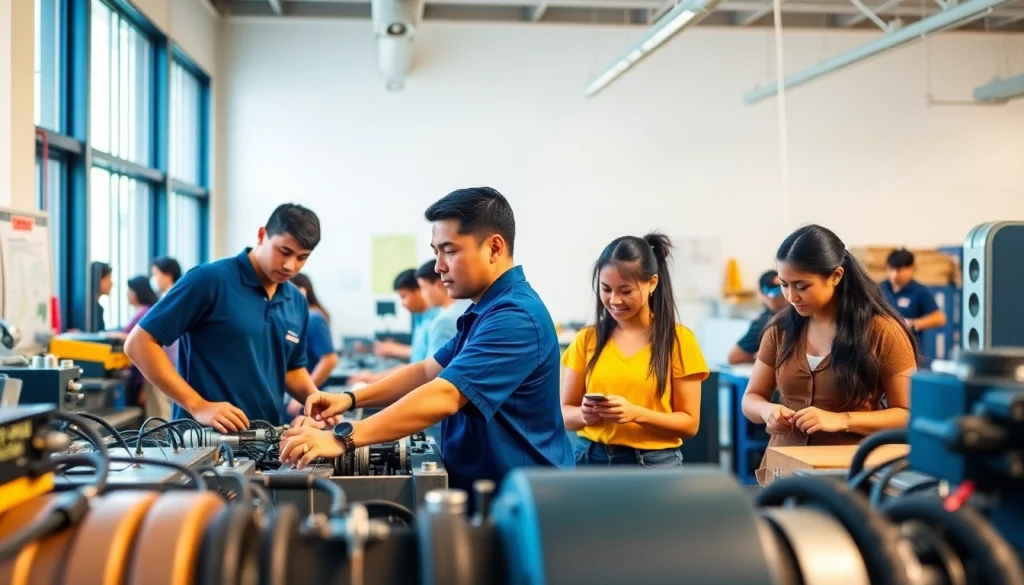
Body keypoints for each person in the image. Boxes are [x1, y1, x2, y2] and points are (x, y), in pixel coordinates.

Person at [278, 187, 574, 493]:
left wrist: (343, 437)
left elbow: (445, 394)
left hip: (525, 495)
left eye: (450, 250)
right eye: (436, 252)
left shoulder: (515, 317)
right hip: (494, 488)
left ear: (494, 248)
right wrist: (350, 398)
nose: (438, 266)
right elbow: (426, 371)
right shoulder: (484, 312)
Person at [740, 225, 917, 486]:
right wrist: (767, 412)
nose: (791, 297)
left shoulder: (881, 331)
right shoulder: (780, 329)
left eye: (802, 286)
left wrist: (841, 420)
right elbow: (751, 399)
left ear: (836, 276)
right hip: (783, 472)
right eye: (784, 285)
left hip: (848, 476)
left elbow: (908, 414)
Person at [125, 203, 324, 430]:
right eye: (284, 251)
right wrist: (197, 405)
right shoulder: (210, 280)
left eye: (302, 257)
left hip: (265, 442)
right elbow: (139, 343)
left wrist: (316, 401)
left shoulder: (296, 301)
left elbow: (290, 368)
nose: (290, 265)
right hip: (201, 443)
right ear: (262, 235)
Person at [561, 233, 709, 468]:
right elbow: (565, 414)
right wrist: (584, 415)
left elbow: (690, 424)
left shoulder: (678, 340)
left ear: (652, 283)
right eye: (606, 289)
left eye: (626, 291)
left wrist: (636, 414)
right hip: (590, 459)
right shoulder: (586, 339)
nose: (614, 300)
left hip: (654, 464)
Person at [348, 269, 437, 384]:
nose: (402, 303)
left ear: (418, 291)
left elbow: (423, 366)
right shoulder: (419, 318)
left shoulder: (436, 320)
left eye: (404, 296)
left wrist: (375, 377)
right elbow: (416, 362)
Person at [105, 276, 172, 419]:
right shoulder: (142, 312)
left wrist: (107, 335)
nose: (127, 294)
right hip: (148, 373)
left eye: (130, 290)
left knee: (158, 415)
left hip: (150, 372)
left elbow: (138, 342)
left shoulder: (144, 313)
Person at [881, 248, 947, 343]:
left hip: (910, 346)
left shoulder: (920, 291)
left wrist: (912, 323)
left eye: (899, 270)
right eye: (891, 269)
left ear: (911, 268)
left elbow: (939, 318)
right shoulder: (879, 289)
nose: (894, 275)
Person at [727, 270, 789, 365]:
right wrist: (766, 358)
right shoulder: (764, 323)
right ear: (764, 295)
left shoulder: (798, 316)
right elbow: (734, 357)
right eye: (776, 295)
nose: (783, 298)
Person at [290, 273, 339, 387]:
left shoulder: (314, 319)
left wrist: (304, 392)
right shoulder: (297, 318)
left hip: (305, 392)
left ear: (302, 291)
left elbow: (329, 359)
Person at [414, 260, 471, 357]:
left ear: (439, 285)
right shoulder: (468, 305)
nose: (422, 295)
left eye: (423, 288)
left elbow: (434, 368)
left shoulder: (444, 321)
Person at [91, 262, 113, 332]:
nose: (111, 283)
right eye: (108, 278)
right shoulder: (92, 309)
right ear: (98, 280)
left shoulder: (96, 307)